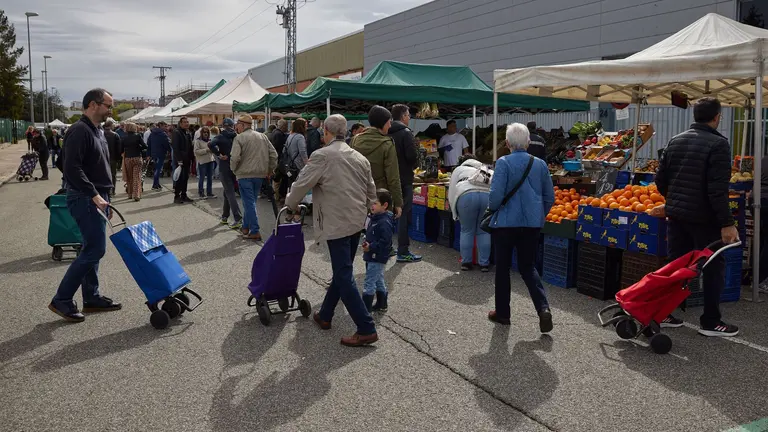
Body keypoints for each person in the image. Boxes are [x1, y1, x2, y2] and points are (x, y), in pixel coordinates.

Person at [286, 114, 378, 347]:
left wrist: (290, 205)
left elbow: (301, 183)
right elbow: (371, 190)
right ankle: (325, 314)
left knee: (343, 274)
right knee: (343, 270)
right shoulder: (359, 157)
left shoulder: (322, 156)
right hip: (356, 220)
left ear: (326, 131)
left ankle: (366, 327)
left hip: (336, 221)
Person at [656, 97, 740, 337]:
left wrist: (674, 200)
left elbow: (660, 180)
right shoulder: (718, 144)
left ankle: (665, 312)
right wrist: (727, 223)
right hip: (704, 219)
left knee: (676, 264)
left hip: (677, 215)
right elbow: (717, 190)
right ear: (717, 118)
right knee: (713, 267)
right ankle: (711, 321)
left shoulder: (675, 140)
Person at [49, 88, 121, 322]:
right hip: (86, 197)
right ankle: (62, 299)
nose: (111, 110)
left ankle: (91, 297)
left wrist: (102, 194)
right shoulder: (79, 130)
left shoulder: (97, 130)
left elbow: (63, 162)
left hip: (97, 195)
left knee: (92, 247)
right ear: (93, 104)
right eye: (108, 105)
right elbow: (70, 167)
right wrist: (93, 194)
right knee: (94, 249)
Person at [487, 123, 554, 333]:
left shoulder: (503, 163)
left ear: (507, 143)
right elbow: (549, 197)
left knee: (503, 269)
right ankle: (543, 308)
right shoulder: (540, 164)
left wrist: (492, 209)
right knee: (527, 267)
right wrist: (539, 216)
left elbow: (496, 196)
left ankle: (503, 314)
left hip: (506, 224)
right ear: (527, 142)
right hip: (531, 225)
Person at [351, 105, 403, 223]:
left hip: (357, 193)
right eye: (389, 122)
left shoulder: (355, 139)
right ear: (382, 123)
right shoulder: (387, 144)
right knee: (380, 232)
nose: (390, 126)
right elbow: (393, 177)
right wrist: (398, 203)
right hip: (379, 196)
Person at [230, 114, 278, 241]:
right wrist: (270, 170)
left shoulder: (239, 138)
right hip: (260, 174)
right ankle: (245, 227)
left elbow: (234, 158)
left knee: (249, 203)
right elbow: (274, 154)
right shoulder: (262, 136)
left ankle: (255, 230)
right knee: (250, 202)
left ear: (242, 125)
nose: (236, 127)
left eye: (237, 125)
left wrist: (234, 169)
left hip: (244, 174)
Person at [448, 155, 492, 271]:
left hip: (466, 195)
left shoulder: (459, 169)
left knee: (466, 230)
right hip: (486, 196)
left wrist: (454, 213)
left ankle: (466, 263)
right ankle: (484, 264)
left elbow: (452, 190)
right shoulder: (485, 169)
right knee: (483, 231)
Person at [389, 104, 421, 263]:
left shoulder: (385, 132)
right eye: (408, 115)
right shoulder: (406, 133)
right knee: (403, 215)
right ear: (403, 116)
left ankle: (387, 247)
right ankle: (403, 250)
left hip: (389, 179)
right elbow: (411, 156)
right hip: (404, 179)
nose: (409, 118)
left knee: (388, 213)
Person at [362, 188, 395, 312]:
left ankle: (365, 310)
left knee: (369, 282)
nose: (372, 206)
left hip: (377, 256)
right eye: (371, 202)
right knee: (379, 279)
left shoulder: (384, 222)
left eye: (375, 203)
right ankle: (382, 304)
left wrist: (371, 246)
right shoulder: (374, 218)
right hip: (372, 254)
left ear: (385, 205)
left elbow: (385, 242)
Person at [209, 118, 242, 229]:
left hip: (224, 166)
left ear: (223, 126)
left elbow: (210, 144)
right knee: (227, 191)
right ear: (232, 126)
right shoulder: (236, 136)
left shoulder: (220, 136)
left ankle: (238, 218)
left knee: (230, 192)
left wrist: (218, 154)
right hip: (235, 166)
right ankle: (225, 216)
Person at [280, 118, 309, 199]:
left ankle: (290, 203)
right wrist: (307, 164)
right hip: (298, 165)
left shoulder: (290, 135)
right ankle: (295, 205)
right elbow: (303, 152)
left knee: (291, 185)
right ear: (301, 126)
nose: (306, 127)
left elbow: (284, 150)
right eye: (305, 125)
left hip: (290, 165)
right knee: (298, 186)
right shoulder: (300, 137)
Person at [121, 122, 148, 201]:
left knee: (129, 177)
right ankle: (136, 195)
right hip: (137, 157)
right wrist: (138, 147)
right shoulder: (138, 136)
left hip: (128, 158)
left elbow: (121, 149)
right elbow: (144, 146)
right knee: (137, 177)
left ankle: (129, 194)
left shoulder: (124, 137)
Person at [172, 117, 194, 204]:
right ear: (180, 123)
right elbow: (176, 147)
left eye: (187, 122)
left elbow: (190, 146)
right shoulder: (177, 132)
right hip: (180, 160)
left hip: (187, 159)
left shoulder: (187, 132)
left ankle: (184, 195)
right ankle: (177, 196)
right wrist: (179, 160)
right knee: (180, 178)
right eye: (184, 122)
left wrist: (192, 157)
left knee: (185, 178)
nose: (186, 124)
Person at [147, 121, 171, 191]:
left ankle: (157, 184)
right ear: (160, 125)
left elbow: (149, 144)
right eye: (165, 126)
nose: (166, 128)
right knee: (158, 169)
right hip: (161, 154)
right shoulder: (163, 134)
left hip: (153, 154)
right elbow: (166, 144)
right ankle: (155, 184)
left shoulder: (152, 133)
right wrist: (170, 151)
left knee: (157, 169)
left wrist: (148, 154)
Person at [194, 126, 216, 199]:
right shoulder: (198, 141)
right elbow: (196, 151)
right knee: (202, 177)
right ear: (201, 133)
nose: (206, 133)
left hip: (210, 161)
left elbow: (214, 149)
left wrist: (214, 149)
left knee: (210, 178)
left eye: (207, 132)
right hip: (202, 162)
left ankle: (209, 193)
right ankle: (201, 193)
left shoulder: (210, 140)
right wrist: (206, 150)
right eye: (204, 132)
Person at [271, 119, 289, 202]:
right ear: (283, 126)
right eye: (286, 125)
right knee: (277, 178)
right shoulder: (279, 135)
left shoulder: (274, 132)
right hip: (278, 160)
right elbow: (280, 148)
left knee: (276, 178)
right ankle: (276, 196)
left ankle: (275, 195)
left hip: (275, 159)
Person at [103, 119, 121, 196]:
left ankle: (105, 190)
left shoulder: (100, 134)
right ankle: (112, 190)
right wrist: (118, 158)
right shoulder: (115, 135)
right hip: (113, 158)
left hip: (102, 158)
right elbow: (119, 148)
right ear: (110, 126)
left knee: (103, 174)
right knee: (113, 175)